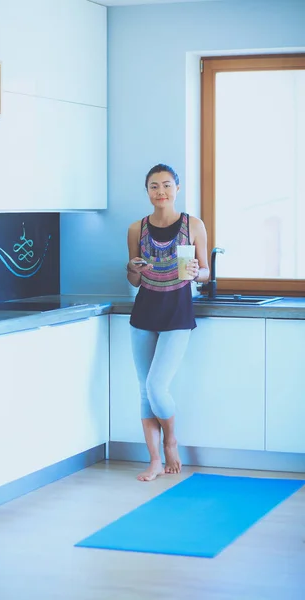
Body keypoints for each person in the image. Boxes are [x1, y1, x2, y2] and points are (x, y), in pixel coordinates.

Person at [126, 163, 209, 482]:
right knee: (144, 391)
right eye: (153, 186)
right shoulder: (137, 229)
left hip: (177, 312)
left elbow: (205, 271)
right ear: (147, 192)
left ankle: (171, 441)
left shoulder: (193, 225)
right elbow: (134, 279)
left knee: (155, 385)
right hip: (144, 312)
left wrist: (196, 273)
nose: (160, 192)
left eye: (166, 185)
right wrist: (132, 268)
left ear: (177, 188)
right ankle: (155, 460)